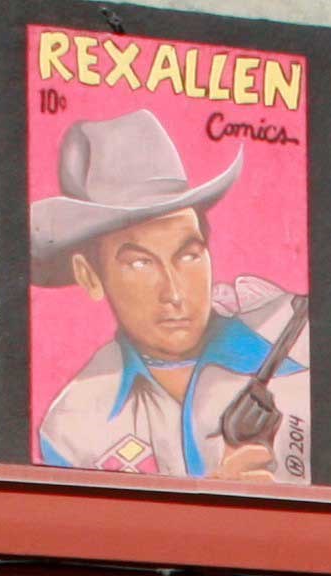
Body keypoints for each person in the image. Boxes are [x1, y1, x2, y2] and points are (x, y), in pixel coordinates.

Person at [31, 112, 313, 483]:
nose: (175, 292)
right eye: (140, 264)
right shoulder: (73, 427)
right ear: (90, 275)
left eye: (189, 255)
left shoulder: (298, 342)